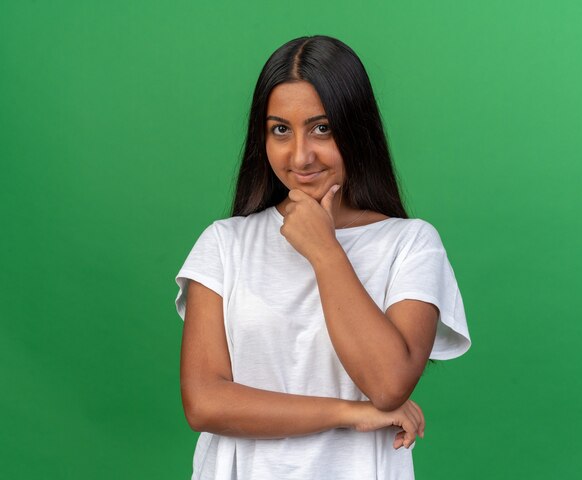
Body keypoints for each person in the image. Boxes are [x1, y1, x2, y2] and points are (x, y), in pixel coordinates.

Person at [174, 35, 471, 480]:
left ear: (356, 128)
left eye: (322, 128)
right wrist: (349, 412)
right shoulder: (224, 244)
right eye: (280, 130)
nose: (300, 155)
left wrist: (324, 250)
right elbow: (205, 403)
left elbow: (389, 384)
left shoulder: (411, 244)